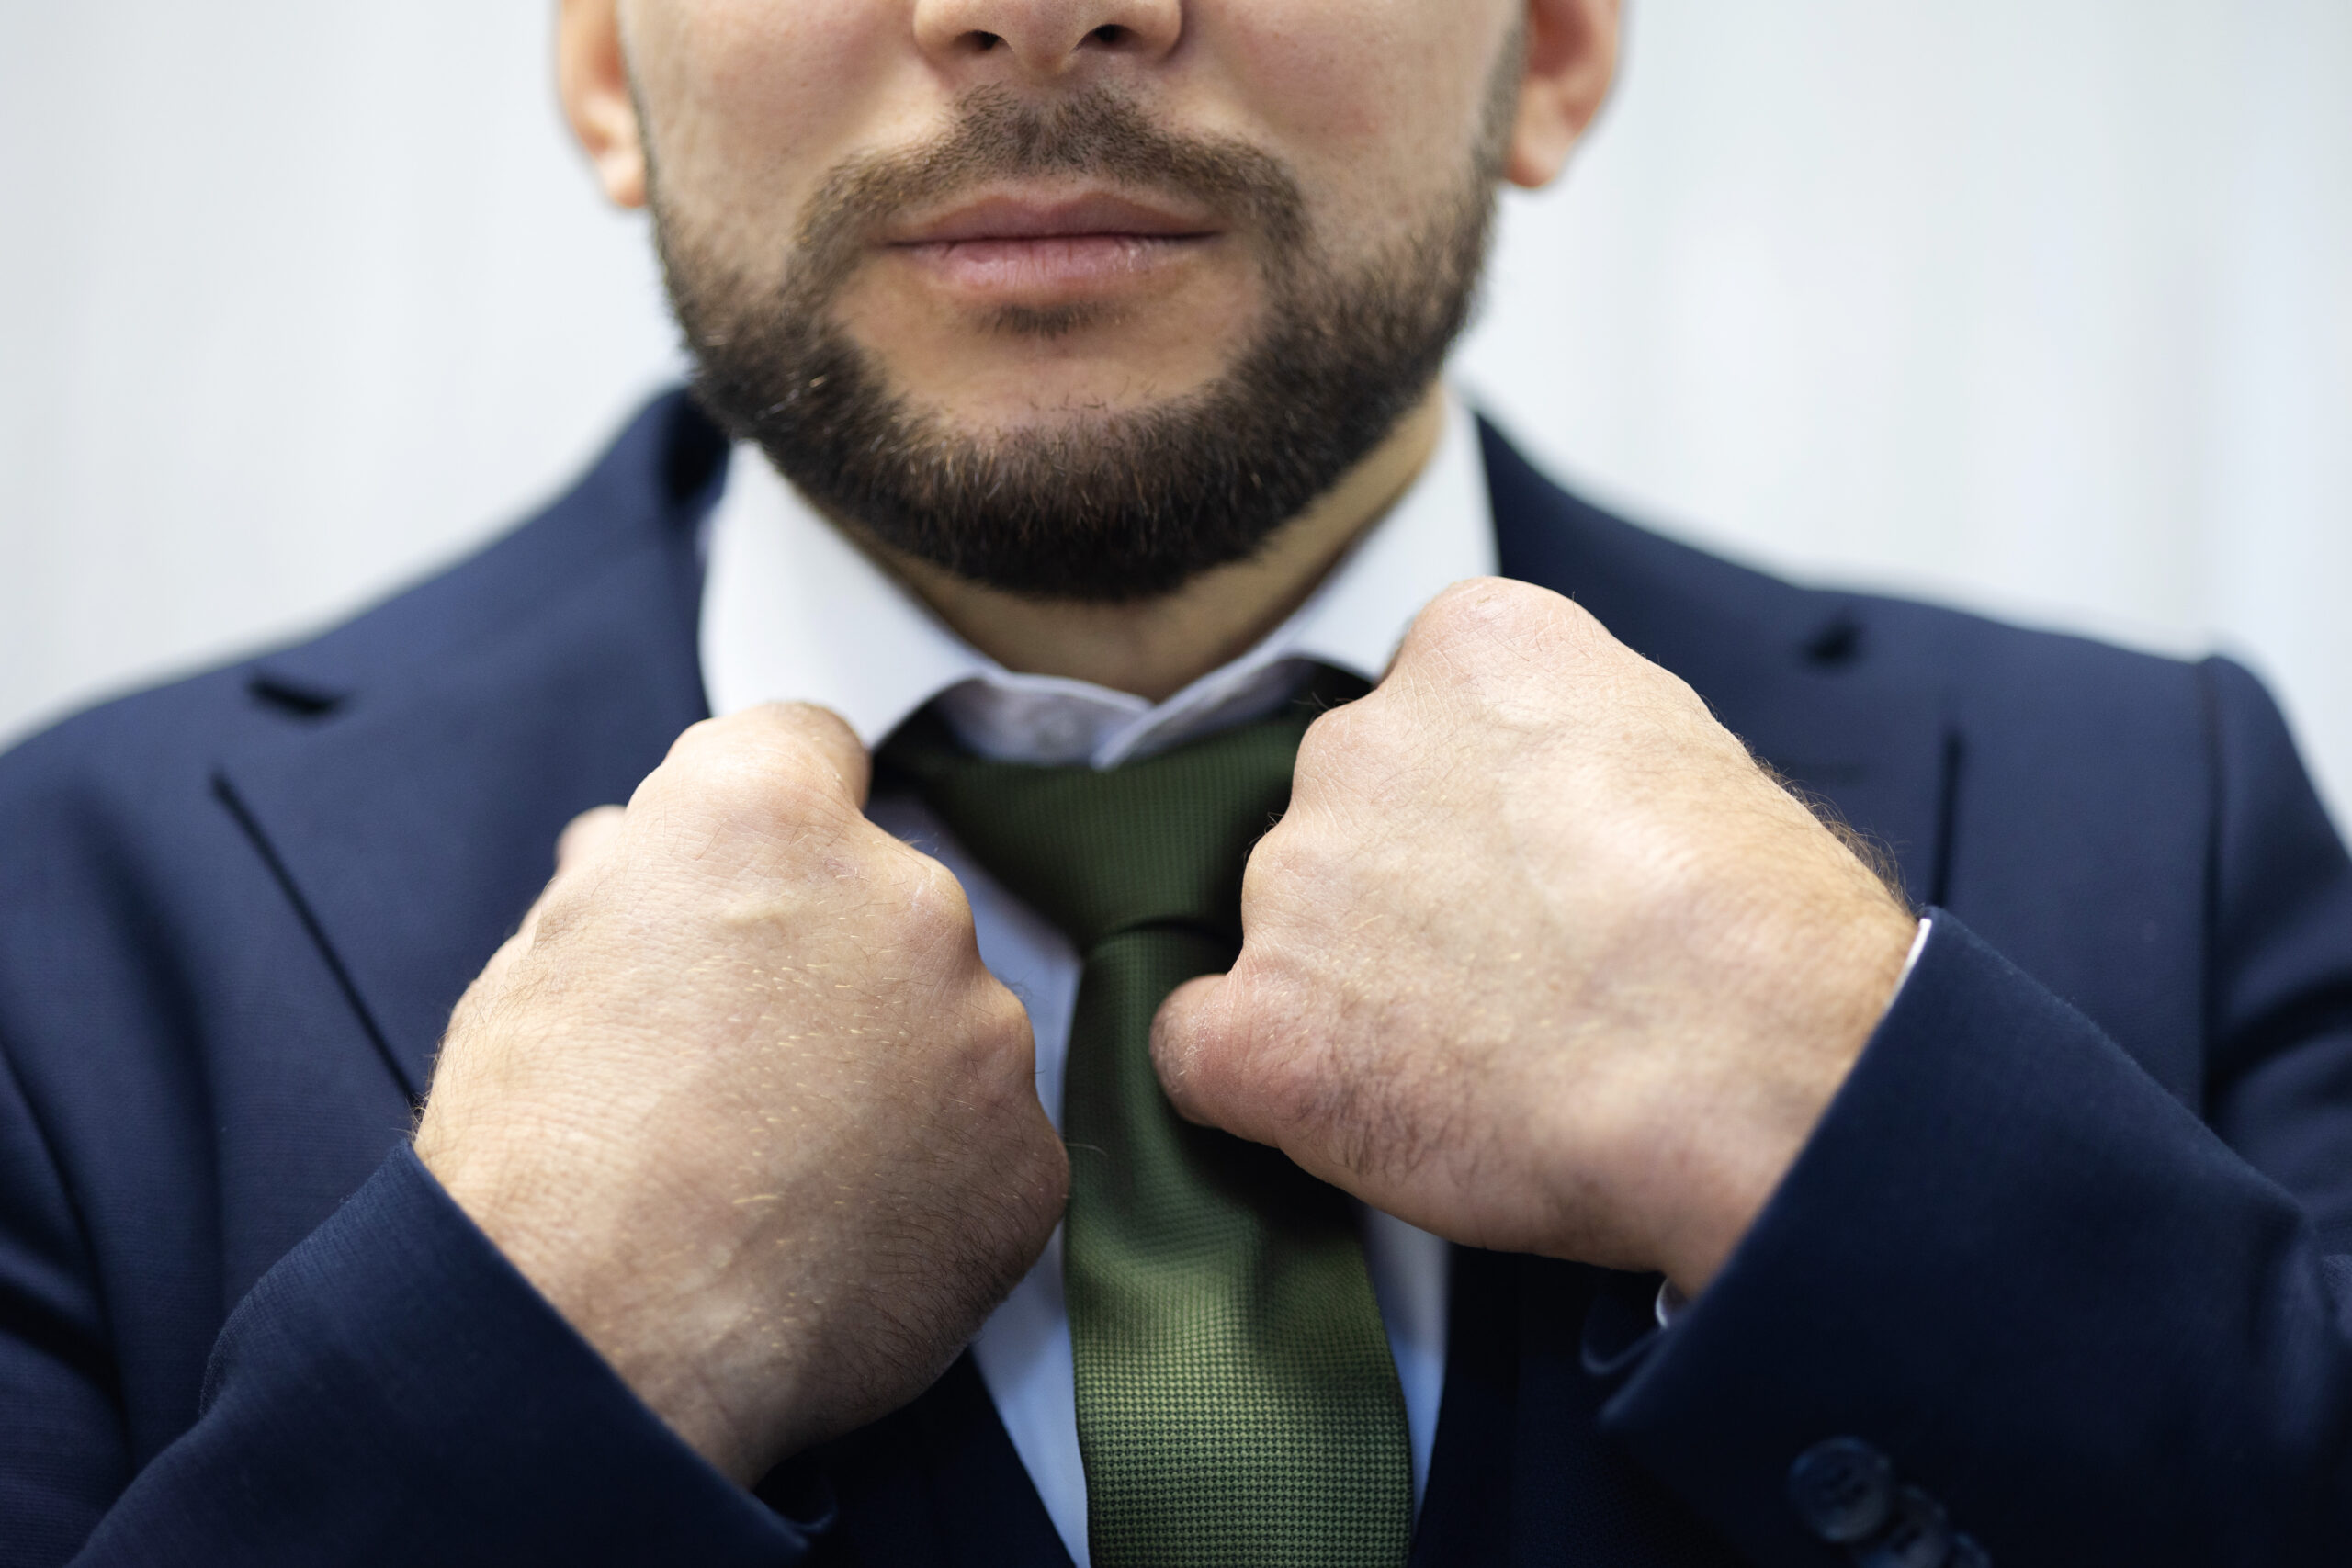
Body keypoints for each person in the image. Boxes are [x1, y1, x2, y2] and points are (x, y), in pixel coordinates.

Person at [3, 0, 2348, 1562]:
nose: (1040, 6)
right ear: (606, 62)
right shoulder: (57, 920)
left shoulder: (2170, 802)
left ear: (1550, 41)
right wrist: (542, 1347)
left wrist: (1829, 1122)